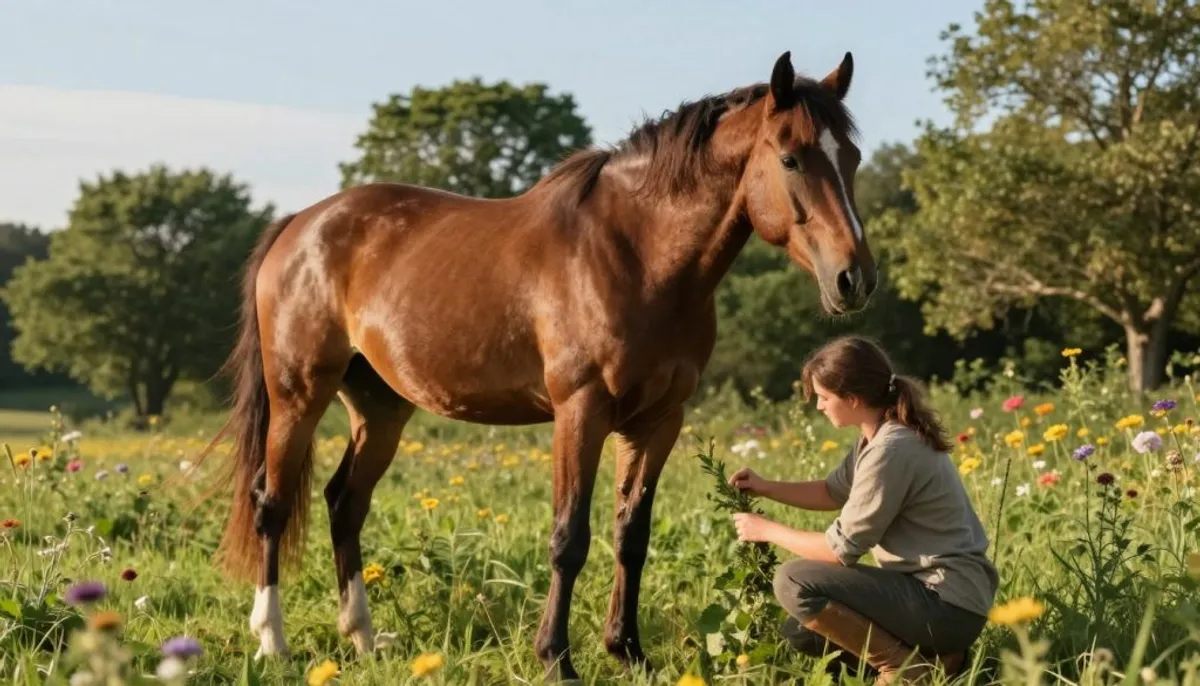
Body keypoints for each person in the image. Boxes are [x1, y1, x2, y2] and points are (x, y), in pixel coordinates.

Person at [728, 335, 998, 683]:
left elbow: (839, 551)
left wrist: (766, 530)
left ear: (852, 399)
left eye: (824, 398)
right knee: (804, 631)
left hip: (946, 603)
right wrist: (765, 486)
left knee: (793, 580)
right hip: (936, 600)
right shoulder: (876, 437)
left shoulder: (892, 448)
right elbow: (831, 491)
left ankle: (904, 671)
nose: (820, 407)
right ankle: (945, 664)